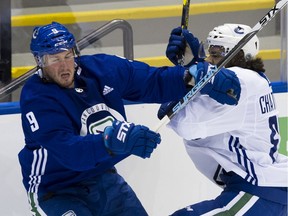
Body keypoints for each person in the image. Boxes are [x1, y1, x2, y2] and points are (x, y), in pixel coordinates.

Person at [18, 22, 240, 216]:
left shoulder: (102, 69)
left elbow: (151, 81)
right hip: (55, 189)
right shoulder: (36, 98)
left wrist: (190, 76)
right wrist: (113, 140)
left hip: (103, 178)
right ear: (40, 61)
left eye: (67, 55)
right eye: (54, 59)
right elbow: (69, 152)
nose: (64, 65)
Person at [158, 24, 288, 216]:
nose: (209, 60)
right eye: (208, 52)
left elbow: (187, 125)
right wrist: (187, 70)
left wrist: (189, 71)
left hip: (258, 192)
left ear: (242, 55)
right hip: (263, 191)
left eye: (216, 53)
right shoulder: (247, 83)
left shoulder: (242, 82)